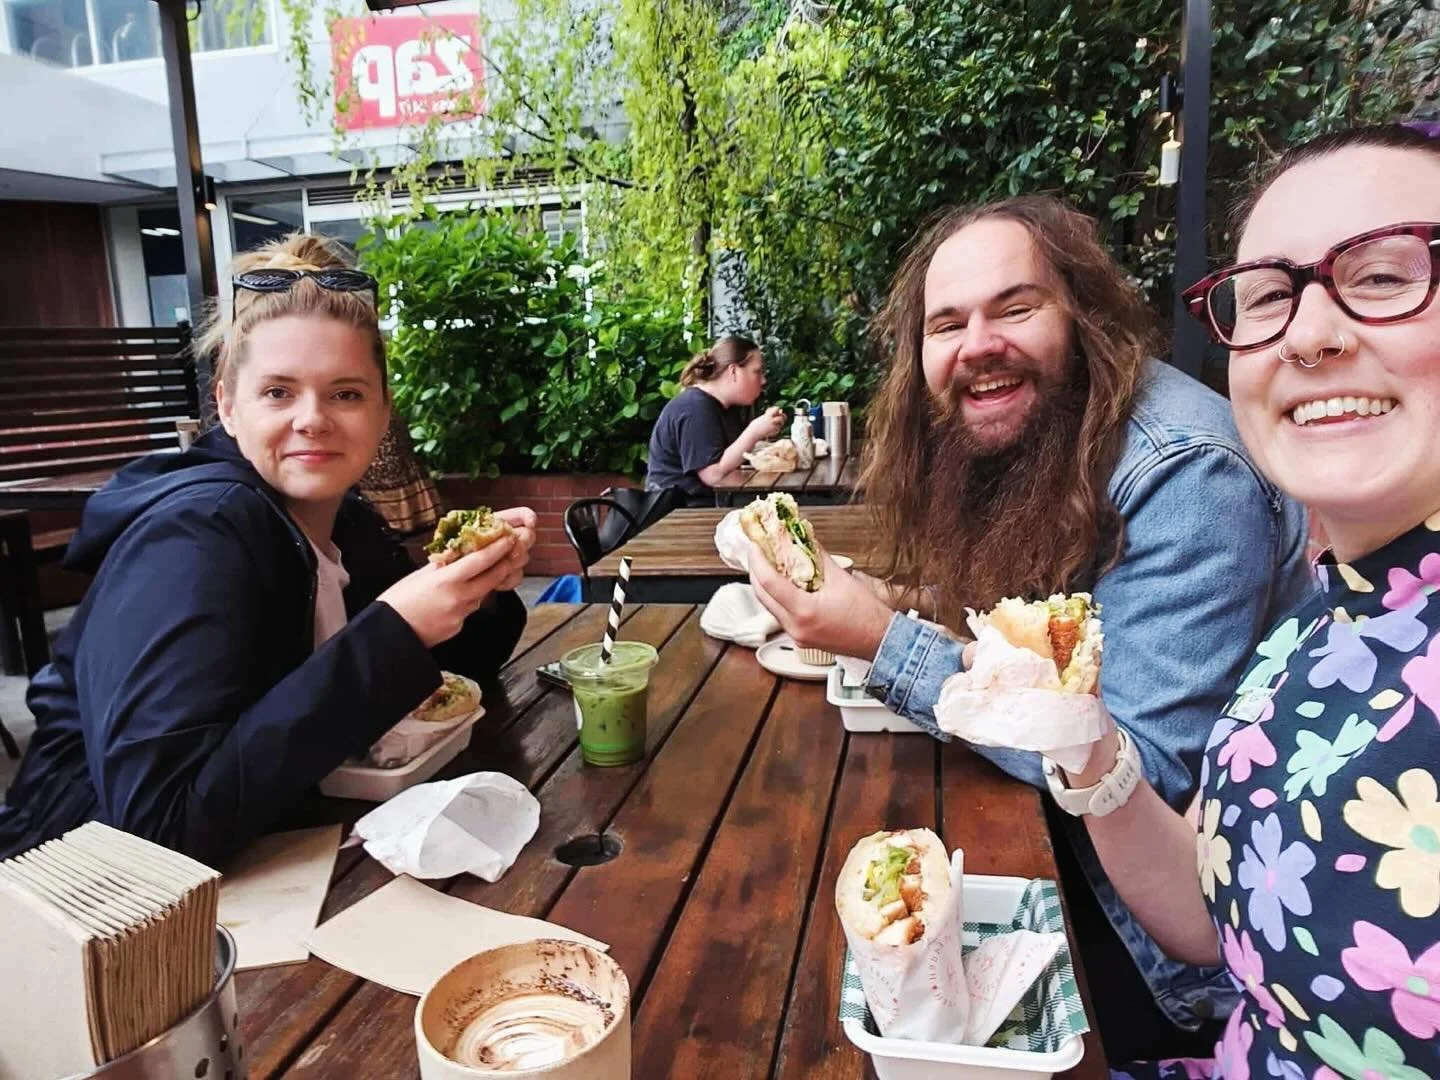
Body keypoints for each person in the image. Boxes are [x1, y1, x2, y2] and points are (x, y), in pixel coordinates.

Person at [748, 195, 1313, 1057]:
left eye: (1015, 307)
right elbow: (1044, 632)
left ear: (1083, 316)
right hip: (1059, 845)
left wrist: (878, 638)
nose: (979, 345)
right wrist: (907, 599)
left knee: (787, 966)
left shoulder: (1189, 477)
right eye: (948, 324)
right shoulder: (1050, 431)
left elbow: (1144, 771)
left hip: (1152, 950)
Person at [1065, 123, 1440, 1078]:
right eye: (1272, 296)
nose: (1312, 334)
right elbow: (1218, 915)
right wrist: (1084, 746)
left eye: (1387, 276)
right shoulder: (1323, 614)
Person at [0, 233, 534, 866]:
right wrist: (396, 628)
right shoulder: (197, 538)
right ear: (227, 406)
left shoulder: (343, 519)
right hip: (82, 902)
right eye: (279, 392)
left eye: (346, 393)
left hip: (274, 859)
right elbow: (154, 830)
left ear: (383, 411)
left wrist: (479, 581)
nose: (313, 418)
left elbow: (458, 670)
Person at [645, 335, 786, 504]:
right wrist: (754, 431)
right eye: (757, 371)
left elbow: (732, 456)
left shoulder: (724, 406)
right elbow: (713, 475)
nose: (763, 380)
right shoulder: (695, 408)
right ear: (733, 371)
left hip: (704, 504)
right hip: (679, 513)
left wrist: (766, 437)